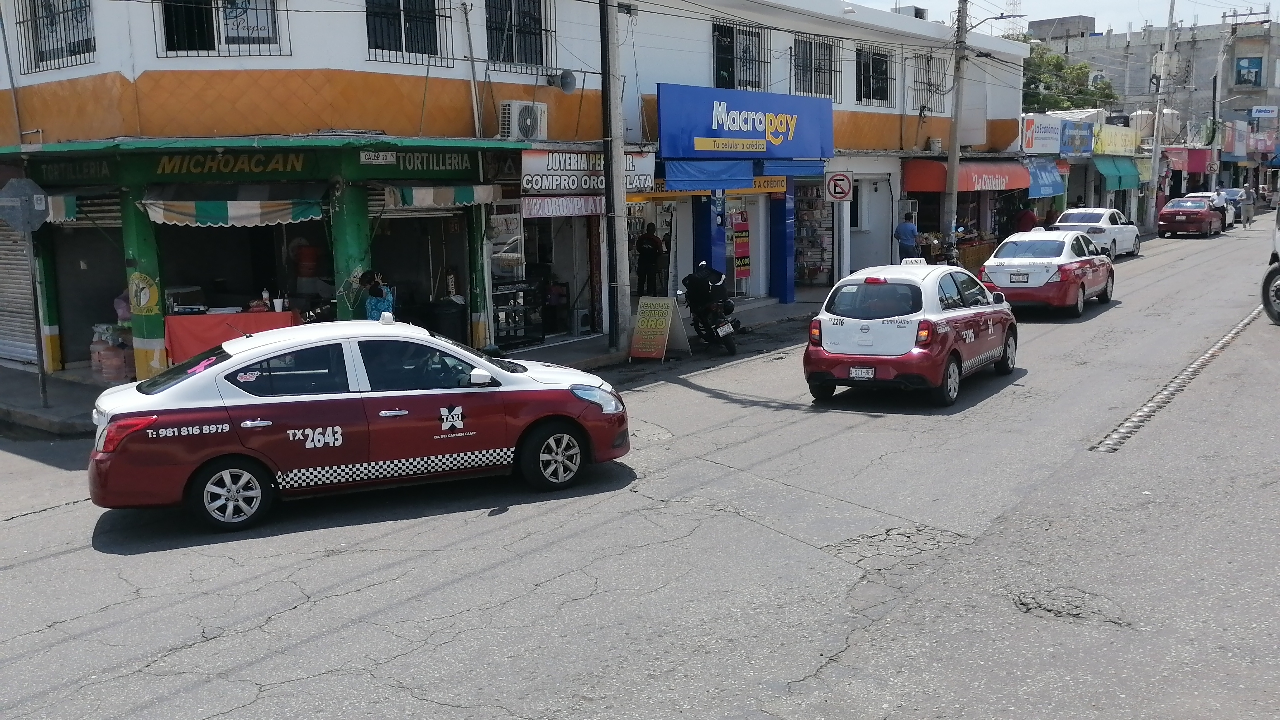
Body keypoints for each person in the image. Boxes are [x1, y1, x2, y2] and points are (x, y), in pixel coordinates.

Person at [635, 223, 664, 296]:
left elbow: (638, 248)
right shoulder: (656, 239)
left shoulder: (641, 238)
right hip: (652, 261)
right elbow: (660, 251)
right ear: (654, 230)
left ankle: (640, 293)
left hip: (642, 260)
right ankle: (650, 294)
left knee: (641, 279)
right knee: (651, 279)